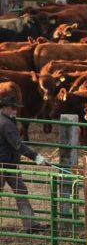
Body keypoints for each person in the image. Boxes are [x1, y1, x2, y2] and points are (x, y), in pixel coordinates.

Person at [0, 95, 49, 233]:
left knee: (21, 191)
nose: (15, 110)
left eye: (16, 108)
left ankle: (31, 224)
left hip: (8, 164)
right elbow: (18, 145)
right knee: (21, 192)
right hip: (4, 165)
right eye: (13, 107)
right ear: (5, 108)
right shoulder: (7, 124)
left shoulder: (6, 121)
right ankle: (30, 224)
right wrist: (36, 157)